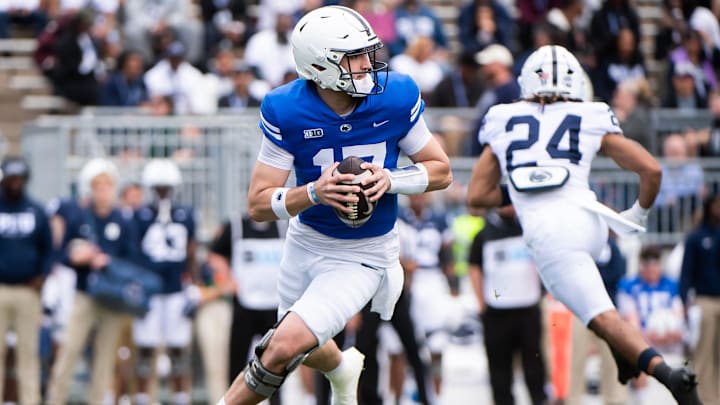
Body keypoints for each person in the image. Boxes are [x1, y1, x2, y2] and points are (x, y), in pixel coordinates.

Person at [217, 5, 452, 405]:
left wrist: (391, 179)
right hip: (305, 241)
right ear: (320, 65)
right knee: (295, 343)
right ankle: (341, 367)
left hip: (365, 252)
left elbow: (441, 170)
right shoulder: (286, 108)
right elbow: (258, 203)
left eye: (367, 53)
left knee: (278, 349)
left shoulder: (395, 95)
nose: (368, 65)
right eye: (355, 57)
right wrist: (313, 192)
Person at [466, 45, 701, 404]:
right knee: (595, 304)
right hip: (592, 220)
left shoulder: (503, 118)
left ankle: (669, 375)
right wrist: (637, 214)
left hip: (552, 234)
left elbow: (477, 196)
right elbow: (651, 169)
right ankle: (623, 355)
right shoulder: (590, 114)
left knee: (600, 317)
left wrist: (522, 188)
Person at [47, 158, 137, 404]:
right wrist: (78, 257)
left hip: (112, 297)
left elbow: (132, 259)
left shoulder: (123, 220)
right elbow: (62, 254)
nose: (103, 191)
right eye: (98, 186)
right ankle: (56, 399)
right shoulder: (80, 217)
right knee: (70, 350)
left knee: (105, 358)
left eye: (107, 186)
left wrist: (107, 262)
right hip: (85, 293)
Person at [468, 204, 547, 405]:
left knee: (534, 366)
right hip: (497, 312)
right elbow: (474, 267)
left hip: (528, 308)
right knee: (500, 372)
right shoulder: (484, 233)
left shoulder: (530, 228)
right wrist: (481, 302)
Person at [132, 159, 196, 405]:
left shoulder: (185, 215)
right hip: (149, 290)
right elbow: (134, 252)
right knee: (145, 348)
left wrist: (192, 284)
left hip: (175, 289)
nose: (163, 193)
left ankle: (180, 397)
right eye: (158, 188)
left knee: (178, 348)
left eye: (166, 188)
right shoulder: (139, 216)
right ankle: (141, 397)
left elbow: (191, 251)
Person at [207, 215, 285, 405]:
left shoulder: (283, 228)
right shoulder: (235, 227)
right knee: (237, 362)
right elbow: (214, 254)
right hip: (245, 305)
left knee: (276, 362)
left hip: (274, 306)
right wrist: (226, 278)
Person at [0, 158, 53, 405]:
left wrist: (41, 276)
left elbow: (48, 248)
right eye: (11, 179)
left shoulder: (36, 210)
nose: (15, 184)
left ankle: (30, 400)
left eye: (19, 179)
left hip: (27, 290)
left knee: (28, 353)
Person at [618, 245, 685, 402]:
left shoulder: (671, 285)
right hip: (645, 340)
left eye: (655, 263)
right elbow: (630, 319)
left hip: (670, 341)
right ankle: (643, 399)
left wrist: (672, 333)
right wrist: (647, 336)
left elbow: (679, 315)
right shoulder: (629, 286)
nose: (651, 269)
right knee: (639, 353)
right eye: (647, 264)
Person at [567, 238, 629, 405]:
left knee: (611, 360)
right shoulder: (580, 246)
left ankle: (614, 399)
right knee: (577, 358)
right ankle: (573, 399)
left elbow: (617, 276)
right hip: (581, 309)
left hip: (606, 309)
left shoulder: (613, 249)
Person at [680, 194, 720, 404]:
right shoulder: (696, 237)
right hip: (704, 300)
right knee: (703, 353)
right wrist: (684, 300)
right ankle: (705, 399)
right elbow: (686, 272)